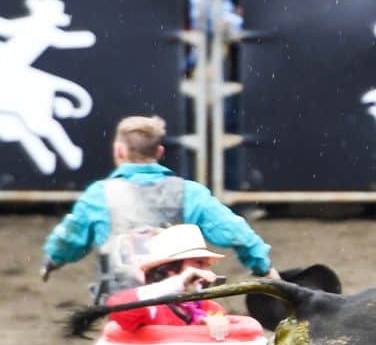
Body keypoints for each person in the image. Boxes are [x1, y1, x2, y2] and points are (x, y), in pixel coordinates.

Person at [41, 115, 279, 302]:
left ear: (119, 151)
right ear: (160, 152)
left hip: (125, 302)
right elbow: (235, 230)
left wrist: (53, 260)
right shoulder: (190, 192)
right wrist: (263, 267)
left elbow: (70, 237)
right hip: (179, 299)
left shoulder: (98, 195)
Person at [106, 225, 229, 340]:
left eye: (206, 265)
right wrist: (179, 282)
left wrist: (213, 328)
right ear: (170, 269)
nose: (206, 272)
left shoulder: (211, 308)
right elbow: (117, 308)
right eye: (198, 263)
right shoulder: (152, 309)